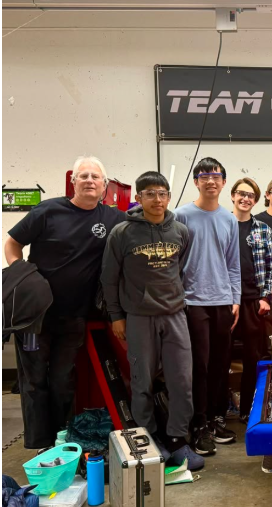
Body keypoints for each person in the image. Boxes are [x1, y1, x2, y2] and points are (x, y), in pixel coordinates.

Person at [4, 156, 124, 450]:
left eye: (95, 177)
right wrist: (22, 276)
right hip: (35, 317)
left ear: (105, 185)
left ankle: (61, 438)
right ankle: (38, 443)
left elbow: (137, 231)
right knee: (33, 381)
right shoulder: (48, 211)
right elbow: (12, 243)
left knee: (62, 381)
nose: (89, 181)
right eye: (83, 176)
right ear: (73, 181)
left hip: (73, 318)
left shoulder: (112, 219)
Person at [101, 172, 202, 470]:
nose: (157, 200)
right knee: (142, 381)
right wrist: (117, 317)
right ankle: (148, 438)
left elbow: (180, 269)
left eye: (162, 194)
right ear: (139, 197)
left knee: (182, 380)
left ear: (169, 197)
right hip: (138, 317)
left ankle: (177, 439)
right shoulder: (122, 233)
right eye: (149, 194)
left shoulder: (181, 232)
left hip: (175, 316)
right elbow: (109, 279)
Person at [174, 157, 240, 456]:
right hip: (192, 302)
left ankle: (215, 418)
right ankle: (198, 424)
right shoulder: (181, 216)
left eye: (216, 175)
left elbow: (233, 264)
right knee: (198, 366)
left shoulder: (229, 219)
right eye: (204, 175)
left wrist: (235, 298)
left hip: (223, 302)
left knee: (219, 364)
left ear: (223, 182)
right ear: (196, 181)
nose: (211, 180)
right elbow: (173, 262)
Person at [230, 178, 272, 423]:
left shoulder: (263, 230)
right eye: (241, 194)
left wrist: (265, 297)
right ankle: (218, 411)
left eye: (251, 196)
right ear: (233, 196)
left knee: (252, 358)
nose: (245, 199)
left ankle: (247, 410)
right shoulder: (222, 224)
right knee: (218, 358)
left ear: (256, 200)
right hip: (224, 302)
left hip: (253, 303)